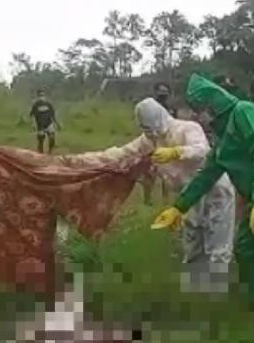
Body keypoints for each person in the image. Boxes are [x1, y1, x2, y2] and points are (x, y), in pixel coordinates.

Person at [152, 74, 254, 324]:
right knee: (246, 250)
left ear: (213, 107)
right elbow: (206, 176)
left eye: (200, 111)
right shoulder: (223, 143)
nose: (198, 117)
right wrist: (178, 208)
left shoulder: (246, 112)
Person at [76, 98, 236, 293]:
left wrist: (177, 152)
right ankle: (197, 294)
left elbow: (202, 150)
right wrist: (83, 160)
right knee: (193, 241)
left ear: (160, 117)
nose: (149, 131)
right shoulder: (149, 140)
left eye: (151, 126)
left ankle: (215, 296)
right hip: (187, 197)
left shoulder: (186, 128)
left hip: (213, 190)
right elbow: (123, 152)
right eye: (145, 127)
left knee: (217, 244)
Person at [29, 89, 60, 154]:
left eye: (43, 95)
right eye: (40, 95)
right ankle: (41, 154)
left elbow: (53, 115)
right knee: (41, 140)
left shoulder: (48, 104)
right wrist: (33, 124)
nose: (42, 97)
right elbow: (32, 115)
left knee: (52, 138)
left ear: (45, 96)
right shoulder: (36, 105)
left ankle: (50, 152)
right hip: (40, 125)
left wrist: (57, 124)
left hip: (49, 123)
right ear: (38, 96)